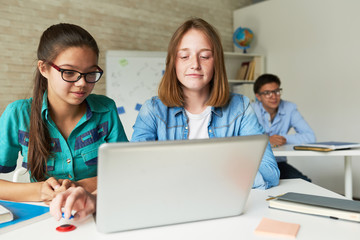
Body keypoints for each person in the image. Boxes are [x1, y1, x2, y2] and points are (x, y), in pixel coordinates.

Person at [50, 18, 279, 221]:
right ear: (173, 63)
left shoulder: (240, 108)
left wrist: (188, 176)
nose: (195, 64)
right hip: (169, 212)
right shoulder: (152, 110)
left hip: (227, 213)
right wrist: (95, 199)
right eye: (184, 56)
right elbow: (133, 172)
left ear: (216, 61)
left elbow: (269, 170)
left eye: (205, 56)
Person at [0, 23, 128, 203]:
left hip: (97, 206)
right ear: (43, 68)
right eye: (69, 72)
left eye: (90, 73)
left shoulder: (106, 109)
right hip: (44, 215)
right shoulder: (18, 114)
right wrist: (39, 190)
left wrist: (81, 187)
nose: (82, 83)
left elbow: (126, 170)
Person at [251, 73, 316, 181]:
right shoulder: (250, 110)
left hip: (278, 163)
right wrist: (267, 140)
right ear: (258, 96)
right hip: (254, 164)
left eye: (276, 91)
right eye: (267, 93)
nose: (274, 96)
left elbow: (310, 137)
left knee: (305, 182)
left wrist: (284, 139)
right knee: (262, 186)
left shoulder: (289, 108)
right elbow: (243, 138)